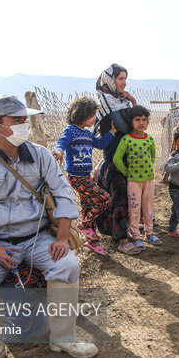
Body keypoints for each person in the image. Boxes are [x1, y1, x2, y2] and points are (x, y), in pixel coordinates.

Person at [0, 95, 98, 358]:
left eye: (25, 118)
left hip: (36, 238)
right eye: (18, 120)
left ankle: (63, 339)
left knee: (67, 266)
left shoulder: (41, 155)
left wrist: (61, 238)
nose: (25, 125)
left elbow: (62, 193)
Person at [53, 96, 116, 255]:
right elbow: (62, 141)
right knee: (104, 199)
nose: (94, 118)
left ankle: (93, 243)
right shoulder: (71, 130)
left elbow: (100, 144)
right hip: (76, 177)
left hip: (86, 177)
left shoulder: (87, 133)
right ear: (82, 114)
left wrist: (112, 132)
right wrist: (59, 151)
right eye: (92, 115)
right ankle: (84, 225)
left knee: (89, 206)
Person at [93, 64, 141, 255]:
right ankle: (121, 240)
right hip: (113, 161)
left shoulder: (122, 101)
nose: (124, 82)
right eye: (120, 78)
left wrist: (134, 103)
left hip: (126, 159)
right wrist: (132, 111)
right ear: (110, 80)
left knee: (127, 199)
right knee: (120, 199)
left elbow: (137, 125)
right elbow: (123, 126)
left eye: (125, 78)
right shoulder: (105, 101)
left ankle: (122, 231)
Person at [112, 105, 161, 250]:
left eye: (144, 120)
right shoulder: (126, 140)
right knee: (134, 208)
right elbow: (117, 159)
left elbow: (152, 156)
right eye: (137, 120)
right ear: (131, 121)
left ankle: (149, 234)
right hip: (133, 181)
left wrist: (148, 168)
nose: (141, 123)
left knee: (148, 207)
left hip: (149, 180)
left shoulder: (149, 139)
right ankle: (135, 236)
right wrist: (127, 173)